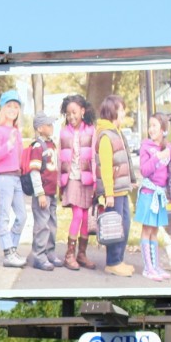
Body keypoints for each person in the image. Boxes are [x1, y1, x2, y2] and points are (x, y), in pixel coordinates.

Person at [94, 94, 136, 277]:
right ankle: (112, 262)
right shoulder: (106, 136)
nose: (124, 113)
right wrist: (109, 193)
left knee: (124, 223)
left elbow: (124, 158)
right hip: (113, 192)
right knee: (115, 225)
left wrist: (131, 180)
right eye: (121, 110)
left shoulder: (115, 132)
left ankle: (118, 259)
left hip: (121, 189)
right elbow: (105, 167)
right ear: (113, 111)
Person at [57, 95, 97, 271]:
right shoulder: (64, 132)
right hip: (71, 179)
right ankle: (69, 255)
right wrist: (60, 182)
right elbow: (59, 159)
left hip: (87, 179)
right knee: (78, 215)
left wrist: (96, 181)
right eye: (68, 114)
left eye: (74, 112)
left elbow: (95, 158)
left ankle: (82, 254)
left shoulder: (91, 130)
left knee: (87, 219)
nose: (71, 116)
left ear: (82, 111)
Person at [135, 113, 171, 281]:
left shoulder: (168, 148)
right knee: (147, 229)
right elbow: (144, 170)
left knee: (155, 230)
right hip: (148, 193)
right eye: (150, 125)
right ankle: (148, 267)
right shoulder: (146, 146)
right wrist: (157, 158)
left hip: (160, 195)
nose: (151, 129)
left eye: (155, 126)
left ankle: (155, 265)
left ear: (164, 130)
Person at [0, 89, 27, 267]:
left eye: (16, 106)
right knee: (4, 216)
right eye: (9, 106)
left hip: (17, 177)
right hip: (4, 177)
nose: (13, 109)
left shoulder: (17, 131)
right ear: (3, 109)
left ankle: (12, 248)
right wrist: (9, 144)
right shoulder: (0, 131)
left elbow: (20, 156)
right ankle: (8, 252)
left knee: (22, 215)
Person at [24, 112, 64, 271]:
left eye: (52, 124)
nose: (51, 127)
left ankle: (50, 252)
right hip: (43, 194)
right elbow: (34, 172)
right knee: (42, 225)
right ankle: (39, 256)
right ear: (40, 128)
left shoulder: (51, 144)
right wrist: (39, 193)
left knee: (52, 223)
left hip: (52, 192)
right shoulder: (38, 146)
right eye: (48, 125)